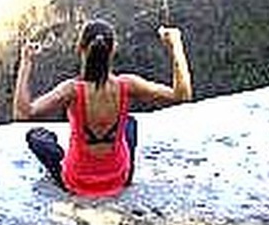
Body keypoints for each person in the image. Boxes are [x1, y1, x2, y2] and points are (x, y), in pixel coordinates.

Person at [13, 19, 192, 197]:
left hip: (77, 181)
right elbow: (181, 95)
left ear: (80, 48)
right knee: (129, 122)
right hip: (119, 178)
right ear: (113, 49)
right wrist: (175, 46)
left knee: (36, 137)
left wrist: (26, 61)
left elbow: (23, 113)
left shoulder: (72, 90)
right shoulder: (127, 85)